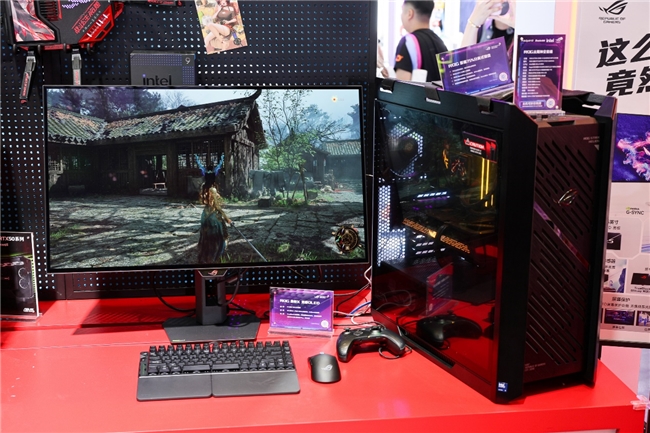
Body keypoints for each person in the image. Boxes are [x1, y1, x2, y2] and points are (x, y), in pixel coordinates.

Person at [393, 1, 448, 82]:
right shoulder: (440, 43)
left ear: (410, 14)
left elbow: (401, 87)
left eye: (402, 11)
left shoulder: (407, 42)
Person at [198, 186, 232, 264]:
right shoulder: (206, 198)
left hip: (214, 221)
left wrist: (227, 219)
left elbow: (220, 210)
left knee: (217, 240)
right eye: (210, 193)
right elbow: (203, 201)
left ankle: (215, 257)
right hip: (208, 221)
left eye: (212, 193)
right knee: (207, 240)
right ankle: (206, 257)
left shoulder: (215, 201)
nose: (210, 195)